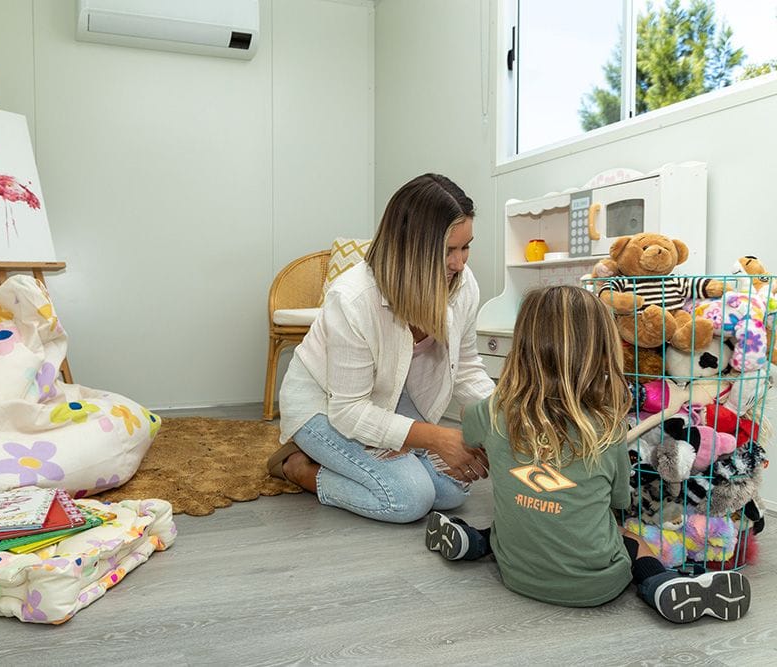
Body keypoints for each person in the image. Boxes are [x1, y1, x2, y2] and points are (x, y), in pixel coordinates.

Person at [425, 285, 751, 623]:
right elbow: (619, 502)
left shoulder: (492, 411)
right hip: (597, 586)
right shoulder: (608, 430)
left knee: (519, 523)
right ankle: (661, 584)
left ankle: (474, 541)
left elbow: (469, 425)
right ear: (602, 352)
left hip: (515, 573)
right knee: (630, 535)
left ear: (521, 348)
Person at [266, 173, 495, 523]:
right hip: (325, 405)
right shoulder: (353, 297)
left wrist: (501, 414)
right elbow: (349, 411)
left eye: (466, 247)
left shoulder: (462, 285)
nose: (460, 263)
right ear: (410, 246)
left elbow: (466, 367)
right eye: (448, 250)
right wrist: (436, 438)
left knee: (453, 490)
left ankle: (360, 463)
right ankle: (297, 467)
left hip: (387, 396)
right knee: (409, 498)